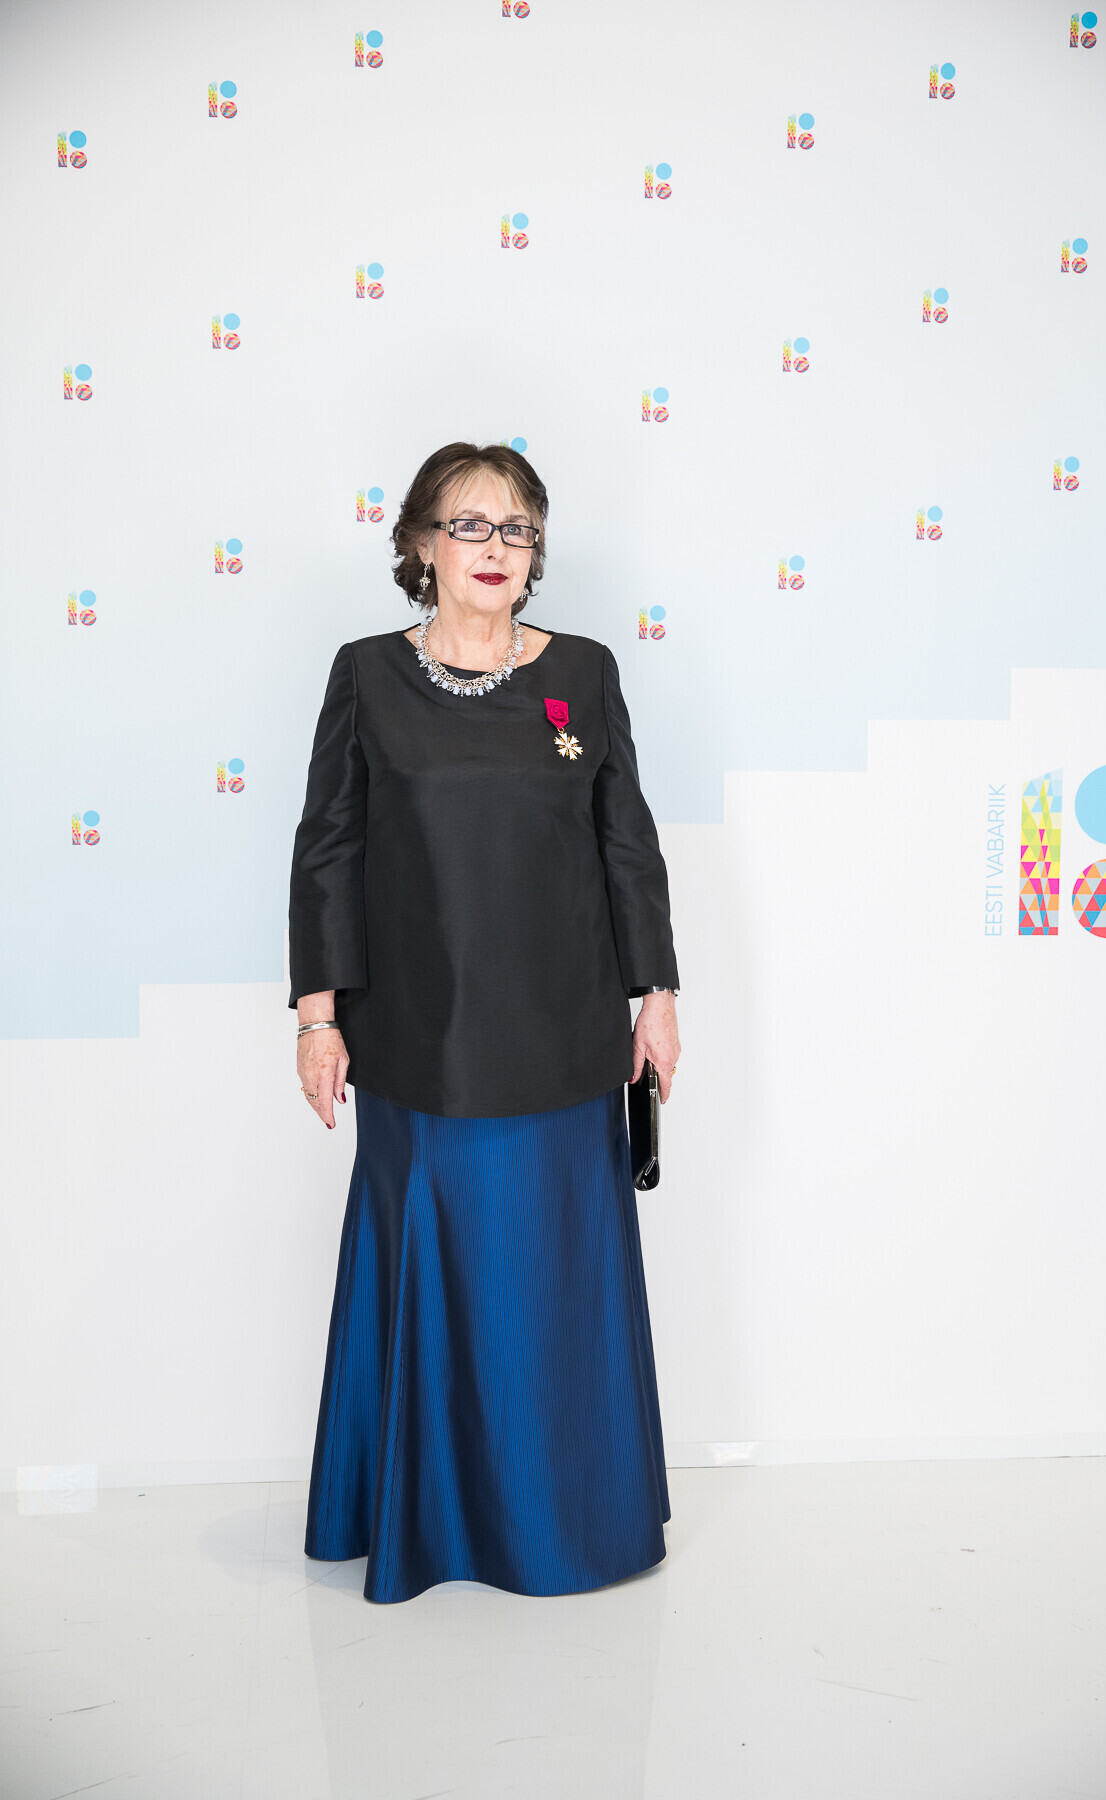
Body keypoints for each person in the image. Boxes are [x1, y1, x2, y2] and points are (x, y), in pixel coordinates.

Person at [287, 441, 682, 1604]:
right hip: (417, 1046)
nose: (496, 549)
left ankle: (568, 1526)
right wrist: (317, 1018)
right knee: (438, 1274)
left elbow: (627, 844)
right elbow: (328, 852)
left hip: (565, 1039)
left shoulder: (585, 674)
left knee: (551, 1287)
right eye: (469, 526)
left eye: (517, 528)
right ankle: (431, 1524)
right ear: (421, 544)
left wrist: (658, 996)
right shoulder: (367, 675)